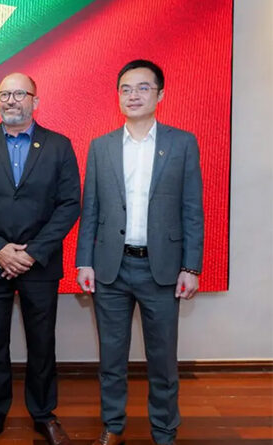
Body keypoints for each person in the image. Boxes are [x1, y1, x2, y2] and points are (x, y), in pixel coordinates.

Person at [76, 59, 203, 445]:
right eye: (126, 89)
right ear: (118, 96)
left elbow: (192, 209)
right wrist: (84, 261)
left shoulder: (182, 143)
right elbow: (91, 209)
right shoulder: (101, 146)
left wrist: (191, 266)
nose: (134, 95)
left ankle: (164, 432)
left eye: (143, 88)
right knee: (111, 360)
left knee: (162, 361)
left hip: (161, 270)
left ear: (160, 94)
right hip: (111, 268)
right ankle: (113, 427)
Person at [0, 73, 80, 445]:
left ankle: (44, 413)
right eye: (4, 94)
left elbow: (70, 203)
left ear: (35, 101)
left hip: (39, 263)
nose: (11, 100)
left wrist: (34, 251)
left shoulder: (58, 146)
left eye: (19, 94)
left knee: (42, 342)